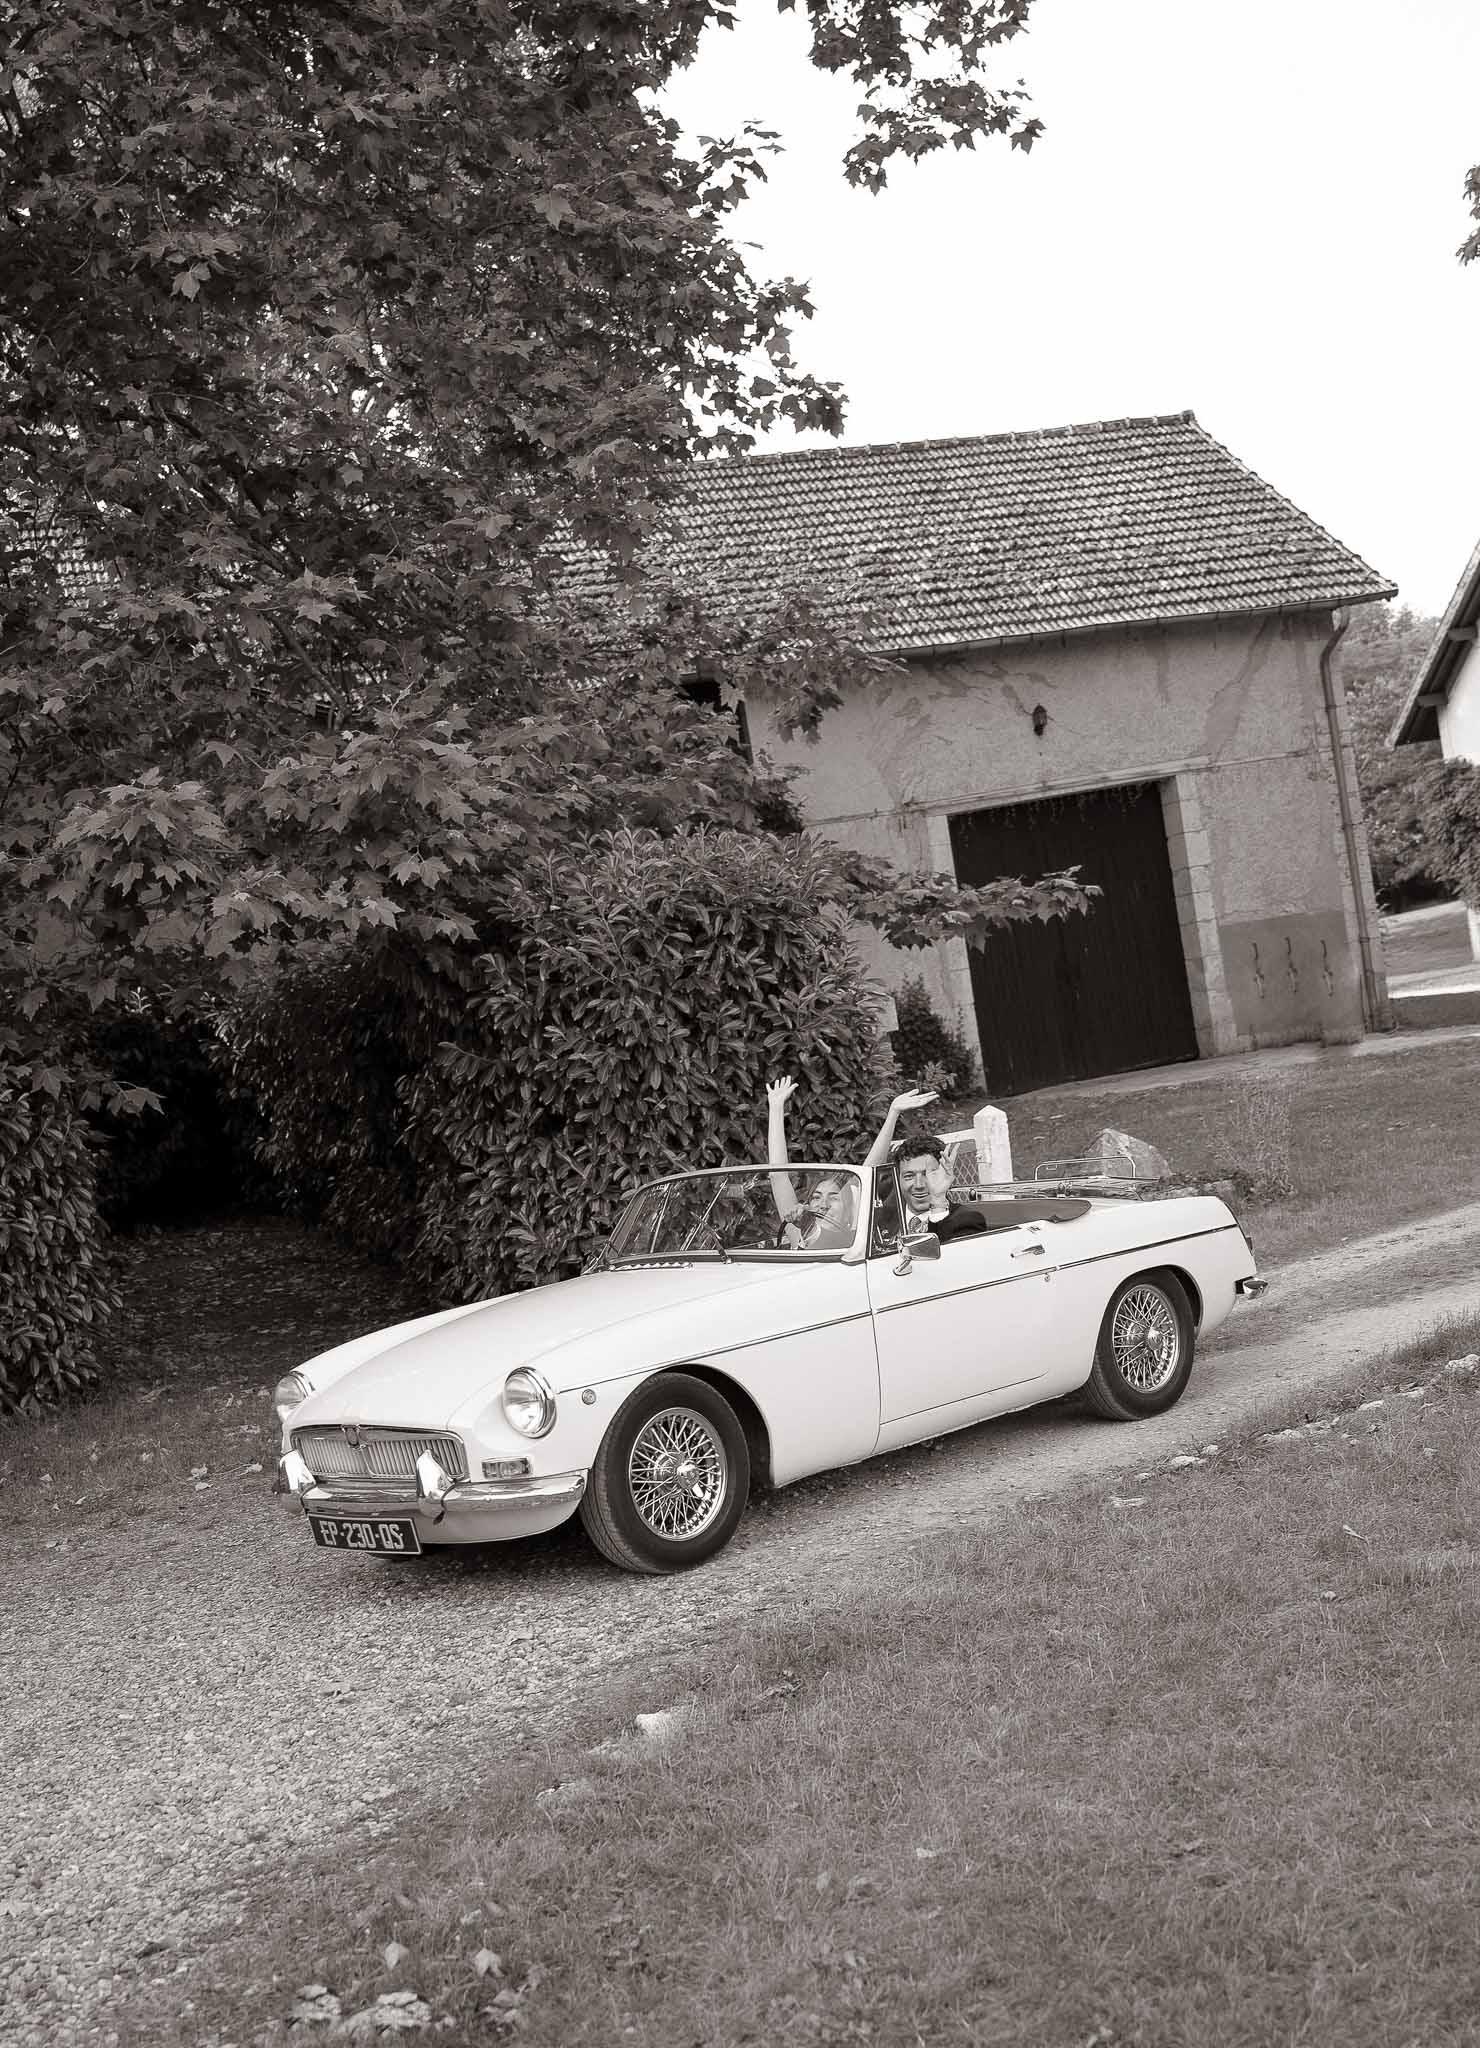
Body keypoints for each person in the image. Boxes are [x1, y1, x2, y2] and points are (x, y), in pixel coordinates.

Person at [764, 1076, 941, 1251]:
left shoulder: (857, 1239)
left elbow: (869, 1173)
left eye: (834, 1197)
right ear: (807, 1206)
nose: (823, 1204)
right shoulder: (800, 1233)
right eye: (816, 1197)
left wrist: (893, 1113)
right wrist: (776, 1108)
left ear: (849, 1210)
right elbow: (777, 1176)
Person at [893, 1133, 989, 1244]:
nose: (919, 1185)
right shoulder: (880, 1221)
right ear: (897, 1178)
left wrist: (937, 1201)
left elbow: (947, 1259)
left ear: (945, 1174)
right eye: (909, 1176)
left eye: (927, 1174)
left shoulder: (967, 1221)